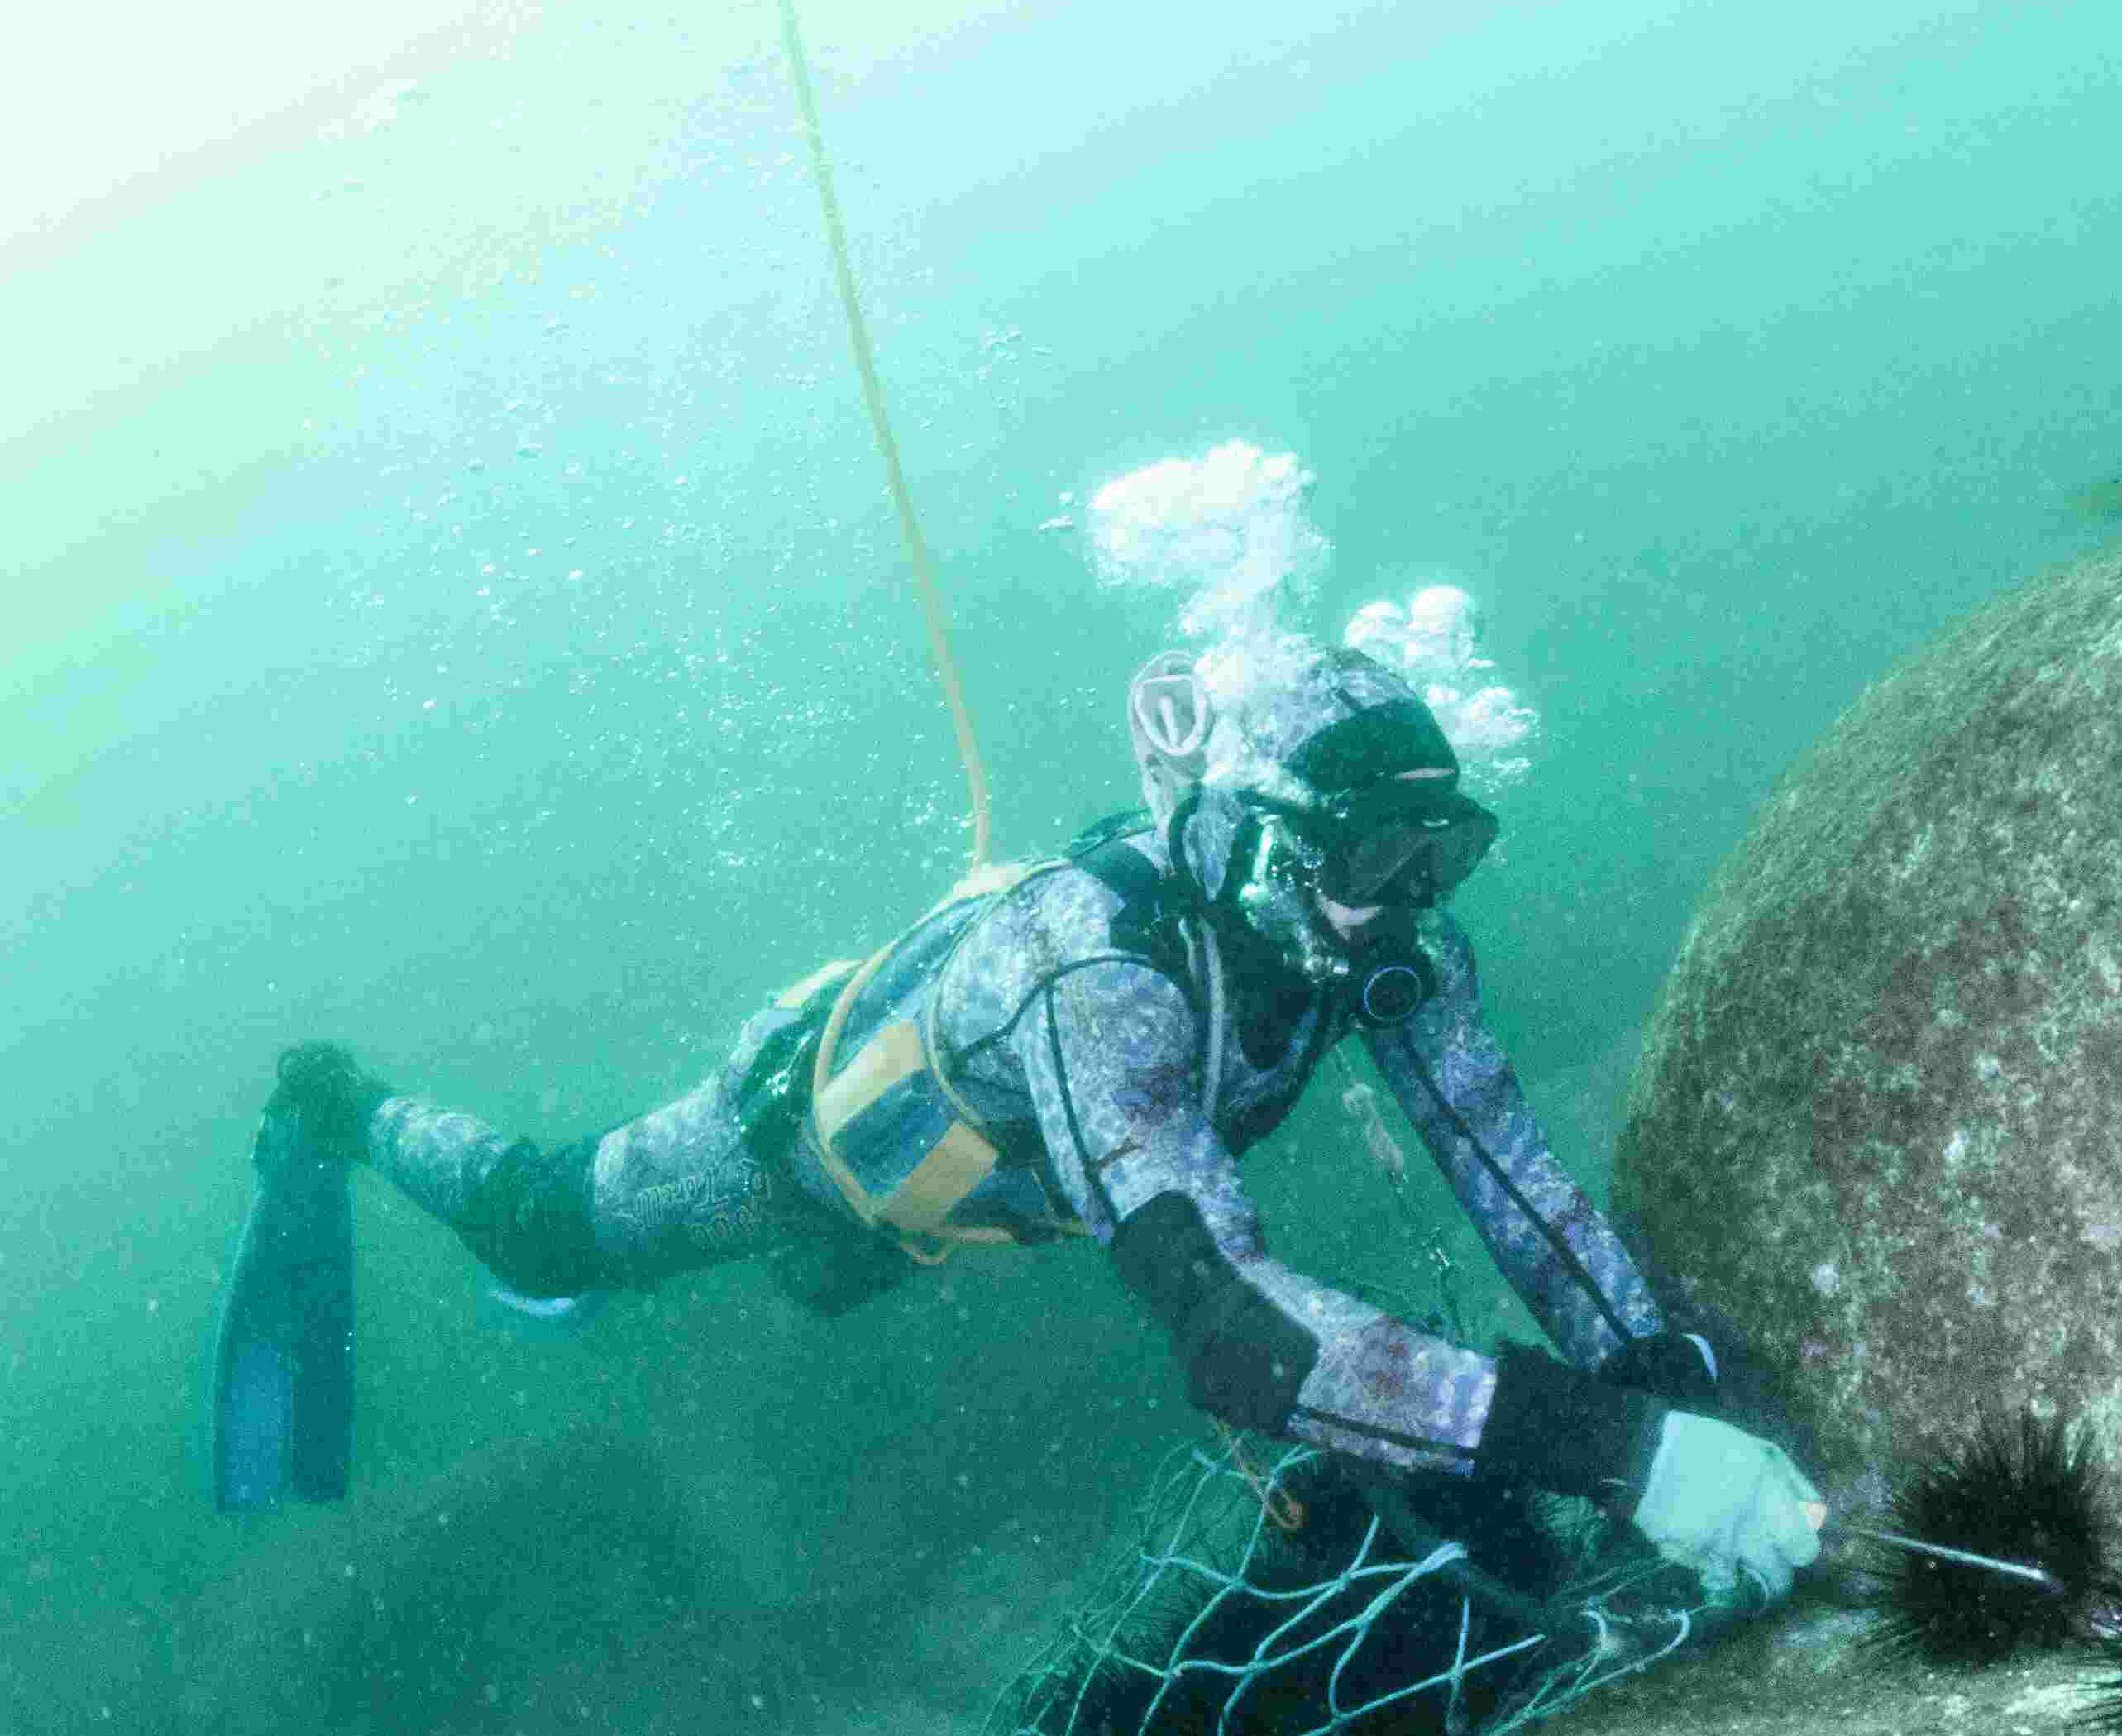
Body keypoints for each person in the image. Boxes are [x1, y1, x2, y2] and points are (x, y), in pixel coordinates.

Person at [227, 633, 1828, 1605]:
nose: (1409, 905)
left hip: (1025, 1182)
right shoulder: (1096, 977)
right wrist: (1620, 1455)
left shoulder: (1375, 939)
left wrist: (1661, 1373)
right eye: (1373, 860)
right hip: (801, 1139)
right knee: (551, 1225)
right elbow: (1236, 1337)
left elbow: (1509, 1168)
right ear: (1263, 843)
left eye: (1442, 858)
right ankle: (338, 1104)